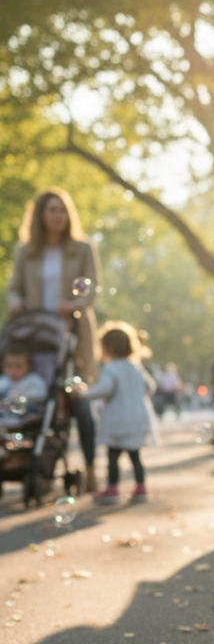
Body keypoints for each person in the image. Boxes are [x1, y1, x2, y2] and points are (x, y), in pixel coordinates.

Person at [6, 188, 101, 491]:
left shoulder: (82, 248)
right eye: (51, 210)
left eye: (62, 210)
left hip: (71, 334)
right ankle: (30, 463)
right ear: (40, 215)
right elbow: (13, 287)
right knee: (31, 400)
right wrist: (15, 302)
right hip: (35, 337)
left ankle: (89, 466)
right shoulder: (26, 251)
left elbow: (91, 289)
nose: (57, 215)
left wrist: (74, 306)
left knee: (79, 402)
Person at [74, 323, 157, 505]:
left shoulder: (111, 369)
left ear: (108, 348)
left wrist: (82, 393)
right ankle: (141, 488)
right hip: (137, 419)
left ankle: (112, 490)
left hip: (119, 421)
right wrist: (134, 397)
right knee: (135, 456)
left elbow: (104, 389)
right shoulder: (136, 367)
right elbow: (150, 387)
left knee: (113, 456)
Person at [0, 344, 48, 430]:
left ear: (28, 367)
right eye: (9, 366)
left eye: (18, 367)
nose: (13, 371)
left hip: (26, 413)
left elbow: (42, 394)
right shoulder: (3, 380)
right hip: (5, 412)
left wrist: (26, 395)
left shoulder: (33, 380)